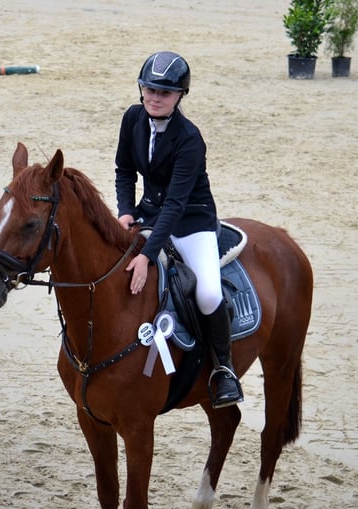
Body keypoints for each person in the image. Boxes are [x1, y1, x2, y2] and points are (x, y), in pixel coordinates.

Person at [115, 51, 243, 409]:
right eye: (149, 89)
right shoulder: (132, 118)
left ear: (180, 96)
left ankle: (223, 370)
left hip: (191, 221)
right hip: (149, 212)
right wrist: (126, 212)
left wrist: (145, 254)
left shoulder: (190, 139)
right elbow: (124, 170)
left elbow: (175, 204)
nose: (155, 97)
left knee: (206, 292)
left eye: (165, 92)